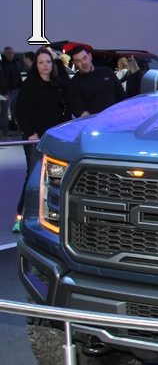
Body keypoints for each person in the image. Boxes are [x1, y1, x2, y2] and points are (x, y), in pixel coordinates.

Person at [13, 47, 69, 232]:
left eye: (48, 62)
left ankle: (51, 216)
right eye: (41, 62)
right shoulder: (30, 84)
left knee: (55, 178)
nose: (45, 65)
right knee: (33, 176)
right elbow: (20, 111)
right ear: (35, 65)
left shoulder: (57, 84)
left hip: (53, 137)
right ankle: (21, 216)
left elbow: (64, 108)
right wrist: (30, 134)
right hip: (34, 138)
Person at [66, 45, 125, 118]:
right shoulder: (74, 83)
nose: (83, 63)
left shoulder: (107, 72)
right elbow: (78, 109)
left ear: (90, 56)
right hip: (95, 125)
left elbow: (121, 97)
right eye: (78, 61)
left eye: (85, 58)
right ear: (74, 63)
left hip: (117, 119)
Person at [0, 46, 22, 136]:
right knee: (5, 112)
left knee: (17, 111)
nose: (11, 55)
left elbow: (19, 76)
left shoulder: (15, 63)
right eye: (9, 53)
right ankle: (5, 130)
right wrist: (4, 91)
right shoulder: (2, 65)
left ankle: (20, 129)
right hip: (7, 91)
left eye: (12, 53)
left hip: (16, 90)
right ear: (5, 54)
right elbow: (2, 79)